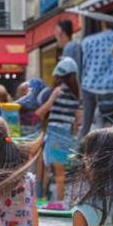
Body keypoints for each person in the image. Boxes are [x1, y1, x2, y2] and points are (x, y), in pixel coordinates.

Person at [37, 57, 82, 209]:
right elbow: (78, 121)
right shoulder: (76, 96)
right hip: (68, 136)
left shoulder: (56, 91)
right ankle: (63, 202)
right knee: (65, 174)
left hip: (55, 135)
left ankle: (58, 203)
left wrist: (51, 99)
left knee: (57, 174)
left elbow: (39, 113)